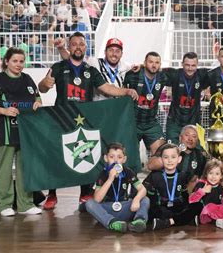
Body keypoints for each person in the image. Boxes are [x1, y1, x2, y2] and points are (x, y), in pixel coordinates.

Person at [38, 31, 138, 211]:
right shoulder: (58, 67)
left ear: (86, 47)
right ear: (69, 47)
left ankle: (85, 193)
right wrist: (45, 83)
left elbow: (106, 88)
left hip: (83, 120)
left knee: (85, 154)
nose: (78, 47)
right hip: (61, 118)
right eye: (74, 44)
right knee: (57, 155)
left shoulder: (91, 70)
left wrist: (125, 91)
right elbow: (43, 88)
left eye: (81, 44)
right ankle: (52, 194)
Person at [0, 47, 42, 217]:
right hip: (6, 131)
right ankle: (4, 205)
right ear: (7, 61)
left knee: (25, 168)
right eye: (15, 61)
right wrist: (5, 111)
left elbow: (37, 98)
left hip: (26, 132)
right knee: (5, 169)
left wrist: (38, 104)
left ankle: (25, 204)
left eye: (21, 61)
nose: (18, 64)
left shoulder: (28, 79)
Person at [85, 143, 150, 233]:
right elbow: (97, 199)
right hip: (107, 209)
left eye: (119, 157)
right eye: (112, 157)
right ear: (106, 158)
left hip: (125, 206)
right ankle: (112, 223)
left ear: (124, 159)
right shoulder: (103, 174)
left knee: (145, 199)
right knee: (90, 203)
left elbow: (142, 189)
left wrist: (136, 199)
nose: (115, 161)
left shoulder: (128, 172)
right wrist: (110, 178)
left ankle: (139, 221)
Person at [144, 144, 203, 230]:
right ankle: (185, 220)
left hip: (177, 207)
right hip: (162, 207)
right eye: (166, 157)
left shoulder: (182, 175)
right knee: (152, 209)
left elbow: (184, 195)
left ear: (179, 159)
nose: (169, 160)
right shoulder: (155, 176)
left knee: (198, 205)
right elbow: (149, 197)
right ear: (161, 159)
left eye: (173, 157)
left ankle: (169, 222)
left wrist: (188, 207)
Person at [123, 52, 168, 156]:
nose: (154, 65)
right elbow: (121, 84)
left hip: (151, 123)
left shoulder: (163, 77)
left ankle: (155, 172)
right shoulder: (133, 74)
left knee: (161, 152)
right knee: (130, 155)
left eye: (157, 62)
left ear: (160, 64)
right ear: (145, 63)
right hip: (133, 122)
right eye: (150, 62)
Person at [162, 52, 209, 144]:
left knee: (196, 152)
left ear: (197, 65)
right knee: (171, 149)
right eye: (187, 65)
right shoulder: (175, 74)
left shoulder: (202, 74)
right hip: (175, 121)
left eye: (193, 65)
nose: (190, 68)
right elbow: (155, 69)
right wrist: (141, 66)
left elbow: (220, 70)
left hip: (194, 121)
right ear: (182, 64)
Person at [147, 125, 208, 192]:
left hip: (180, 193)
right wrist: (175, 152)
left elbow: (193, 181)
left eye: (194, 136)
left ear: (197, 140)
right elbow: (150, 166)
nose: (190, 139)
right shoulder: (167, 148)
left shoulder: (199, 156)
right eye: (187, 135)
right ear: (180, 138)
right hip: (159, 190)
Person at [189, 159, 223, 229]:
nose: (213, 177)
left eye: (217, 174)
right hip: (206, 214)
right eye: (211, 173)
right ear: (206, 174)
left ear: (221, 176)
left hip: (221, 211)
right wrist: (202, 191)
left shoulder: (222, 186)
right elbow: (191, 201)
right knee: (210, 206)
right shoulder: (201, 184)